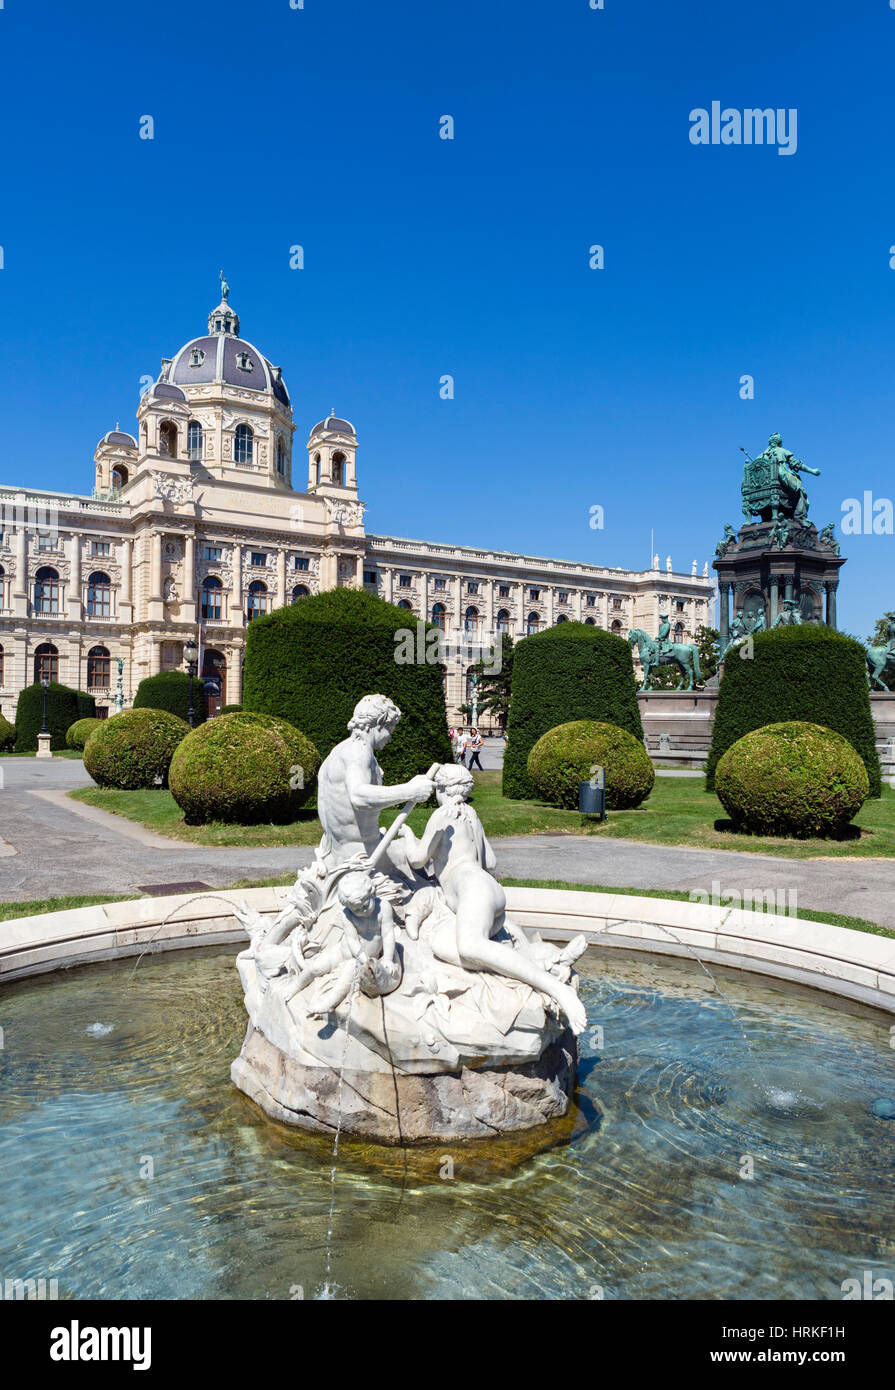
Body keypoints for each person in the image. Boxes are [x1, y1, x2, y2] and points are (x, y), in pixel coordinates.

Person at [398, 765, 587, 1034]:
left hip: (473, 890)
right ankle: (546, 963)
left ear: (441, 790)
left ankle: (555, 988)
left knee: (470, 947)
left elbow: (417, 859)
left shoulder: (442, 815)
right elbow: (491, 861)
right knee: (441, 944)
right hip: (491, 892)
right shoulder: (472, 814)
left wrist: (407, 836)